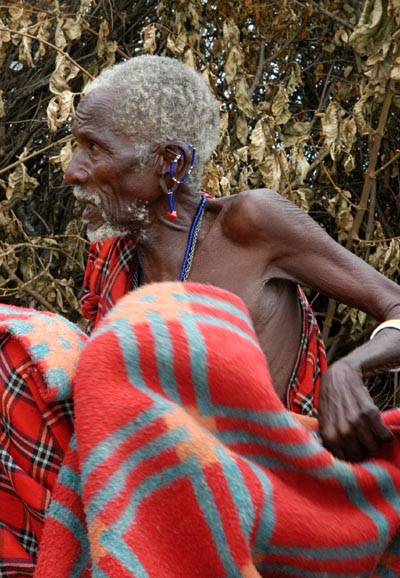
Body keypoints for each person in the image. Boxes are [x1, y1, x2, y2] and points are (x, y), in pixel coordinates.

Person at [64, 54, 400, 463]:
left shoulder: (248, 225)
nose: (73, 170)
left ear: (171, 164)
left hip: (270, 488)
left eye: (94, 148)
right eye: (77, 146)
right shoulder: (115, 258)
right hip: (154, 485)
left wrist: (348, 371)